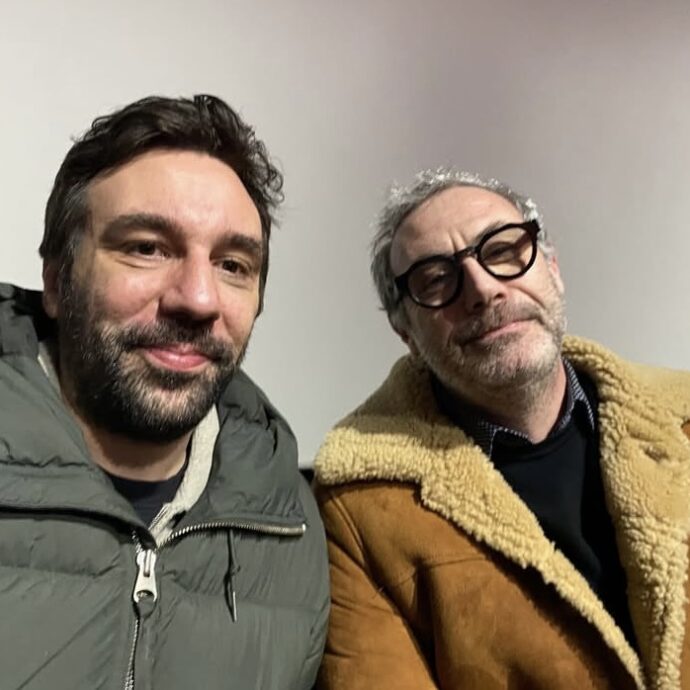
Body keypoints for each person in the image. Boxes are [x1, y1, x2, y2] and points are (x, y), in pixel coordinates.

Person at [313, 169, 690, 690]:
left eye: (504, 250)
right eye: (436, 279)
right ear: (407, 333)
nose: (484, 289)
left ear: (552, 269)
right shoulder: (360, 506)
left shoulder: (682, 417)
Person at [0, 94, 328, 690]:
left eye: (233, 265)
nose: (198, 299)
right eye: (146, 248)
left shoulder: (291, 523)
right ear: (56, 282)